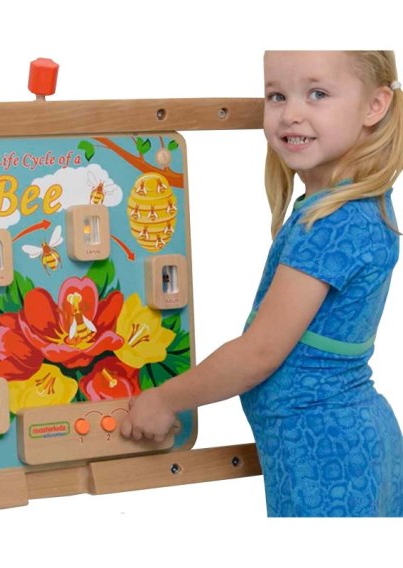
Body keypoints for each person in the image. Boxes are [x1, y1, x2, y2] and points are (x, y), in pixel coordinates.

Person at [120, 51, 403, 517]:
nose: (291, 113)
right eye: (276, 95)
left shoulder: (333, 223)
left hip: (324, 455)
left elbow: (259, 353)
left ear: (375, 105)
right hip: (340, 446)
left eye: (317, 93)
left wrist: (166, 399)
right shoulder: (348, 207)